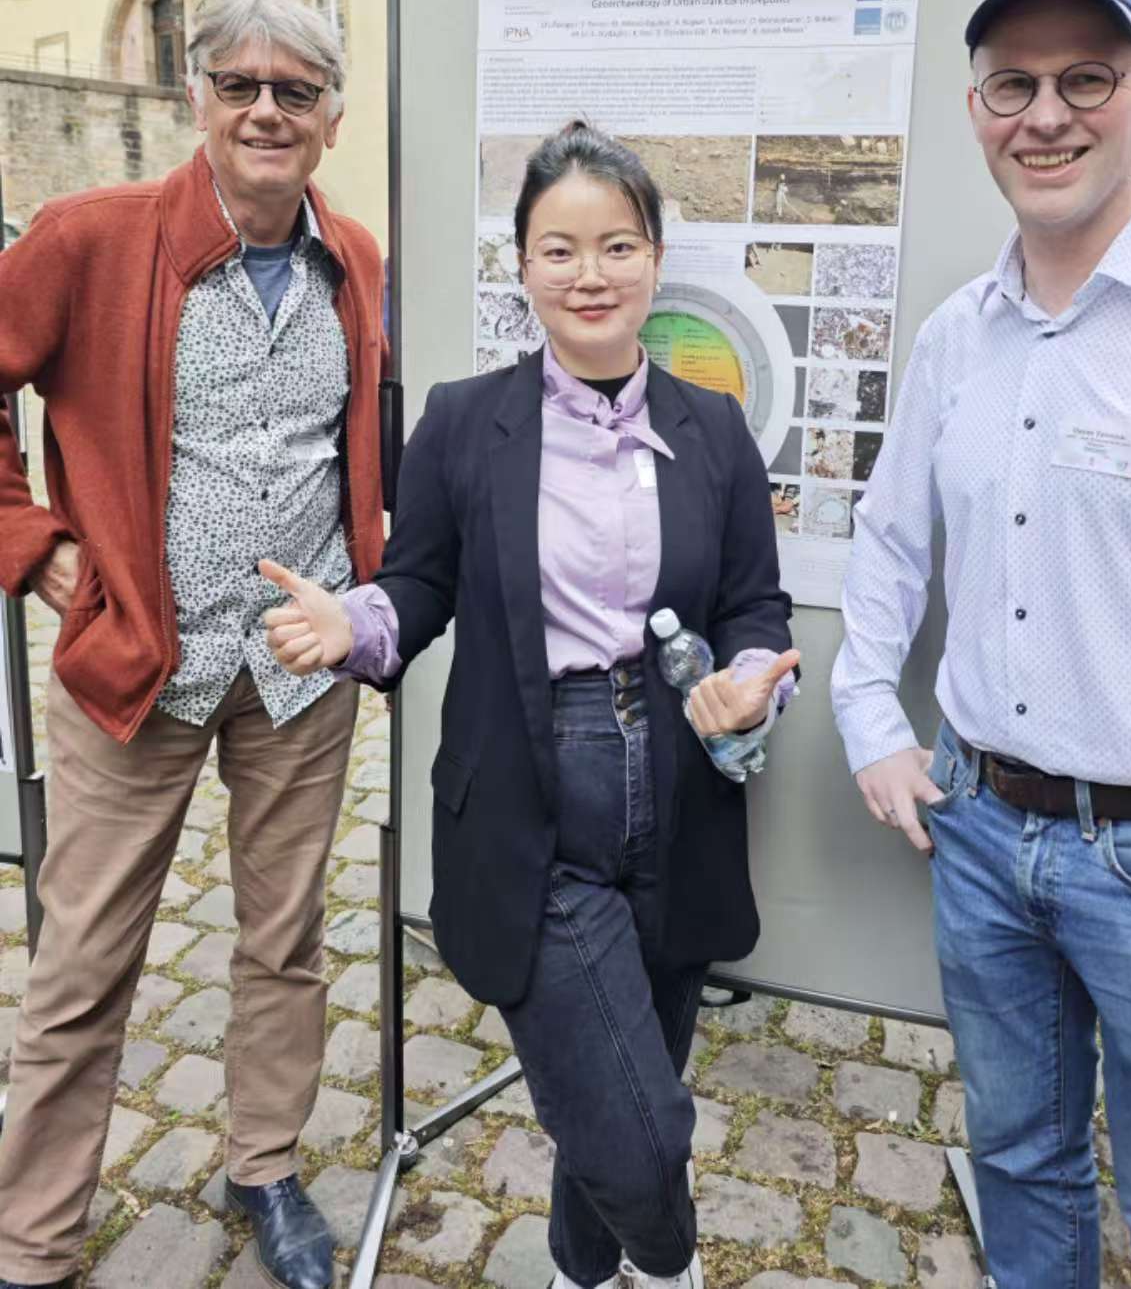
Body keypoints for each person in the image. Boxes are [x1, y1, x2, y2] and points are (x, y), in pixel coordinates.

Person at [263, 122, 798, 1289]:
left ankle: (578, 1268)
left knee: (619, 1074)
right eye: (560, 248)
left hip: (675, 781)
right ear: (522, 263)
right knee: (642, 1121)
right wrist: (351, 622)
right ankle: (665, 1266)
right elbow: (423, 583)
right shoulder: (463, 418)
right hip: (528, 788)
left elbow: (757, 602)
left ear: (654, 259)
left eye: (616, 244)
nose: (590, 273)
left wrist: (753, 677)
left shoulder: (711, 428)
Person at [831, 0, 1131, 1289]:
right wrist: (869, 713)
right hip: (984, 833)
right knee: (1019, 1166)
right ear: (975, 110)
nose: (1046, 114)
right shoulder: (958, 337)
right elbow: (891, 540)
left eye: (1085, 77)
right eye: (1012, 83)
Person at [0, 0, 386, 1289]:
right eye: (242, 86)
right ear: (197, 101)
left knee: (283, 937)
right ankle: (33, 1237)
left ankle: (265, 1162)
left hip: (298, 668)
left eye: (297, 90)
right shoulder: (90, 236)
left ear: (332, 117)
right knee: (80, 961)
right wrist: (36, 537)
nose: (268, 110)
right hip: (137, 666)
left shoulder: (357, 260)